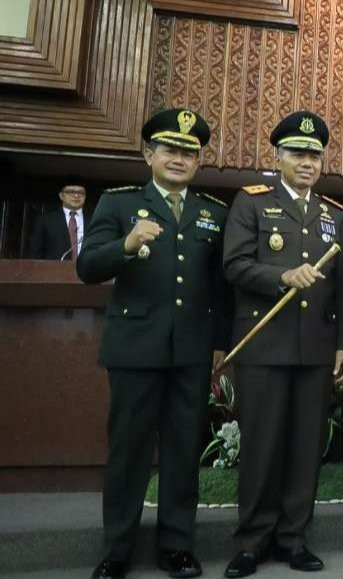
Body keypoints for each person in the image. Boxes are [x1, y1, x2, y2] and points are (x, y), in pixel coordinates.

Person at [77, 108, 229, 579]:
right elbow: (87, 267)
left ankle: (177, 546)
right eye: (171, 149)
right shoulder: (118, 204)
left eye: (190, 152)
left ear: (199, 160)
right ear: (149, 154)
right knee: (129, 453)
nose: (180, 158)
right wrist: (126, 245)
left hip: (191, 352)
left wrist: (220, 345)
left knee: (184, 451)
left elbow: (221, 289)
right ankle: (117, 549)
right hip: (134, 349)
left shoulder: (213, 213)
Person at [222, 111, 343, 577]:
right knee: (262, 446)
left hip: (316, 349)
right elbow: (234, 265)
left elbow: (341, 288)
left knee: (304, 447)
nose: (307, 162)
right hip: (264, 345)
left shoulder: (333, 213)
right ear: (278, 156)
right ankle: (252, 541)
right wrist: (281, 275)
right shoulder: (252, 203)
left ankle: (294, 539)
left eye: (314, 155)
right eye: (298, 153)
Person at [28, 180, 90, 260]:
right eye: (71, 192)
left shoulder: (95, 220)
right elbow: (35, 252)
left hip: (88, 271)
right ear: (61, 195)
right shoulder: (45, 220)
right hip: (53, 270)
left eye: (81, 193)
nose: (76, 195)